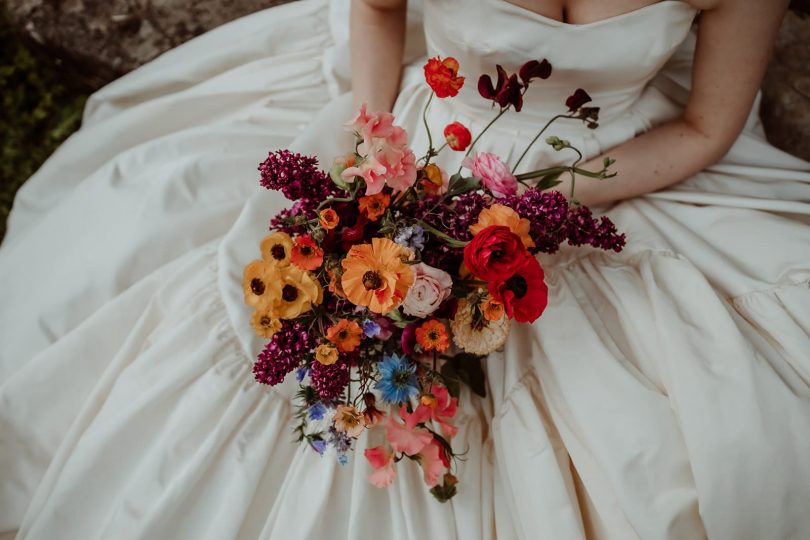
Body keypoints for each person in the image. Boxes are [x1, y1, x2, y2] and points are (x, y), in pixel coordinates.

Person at [1, 0, 808, 538]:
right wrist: (374, 154)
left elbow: (706, 127)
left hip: (618, 166)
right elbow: (382, 8)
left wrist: (526, 204)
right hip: (437, 139)